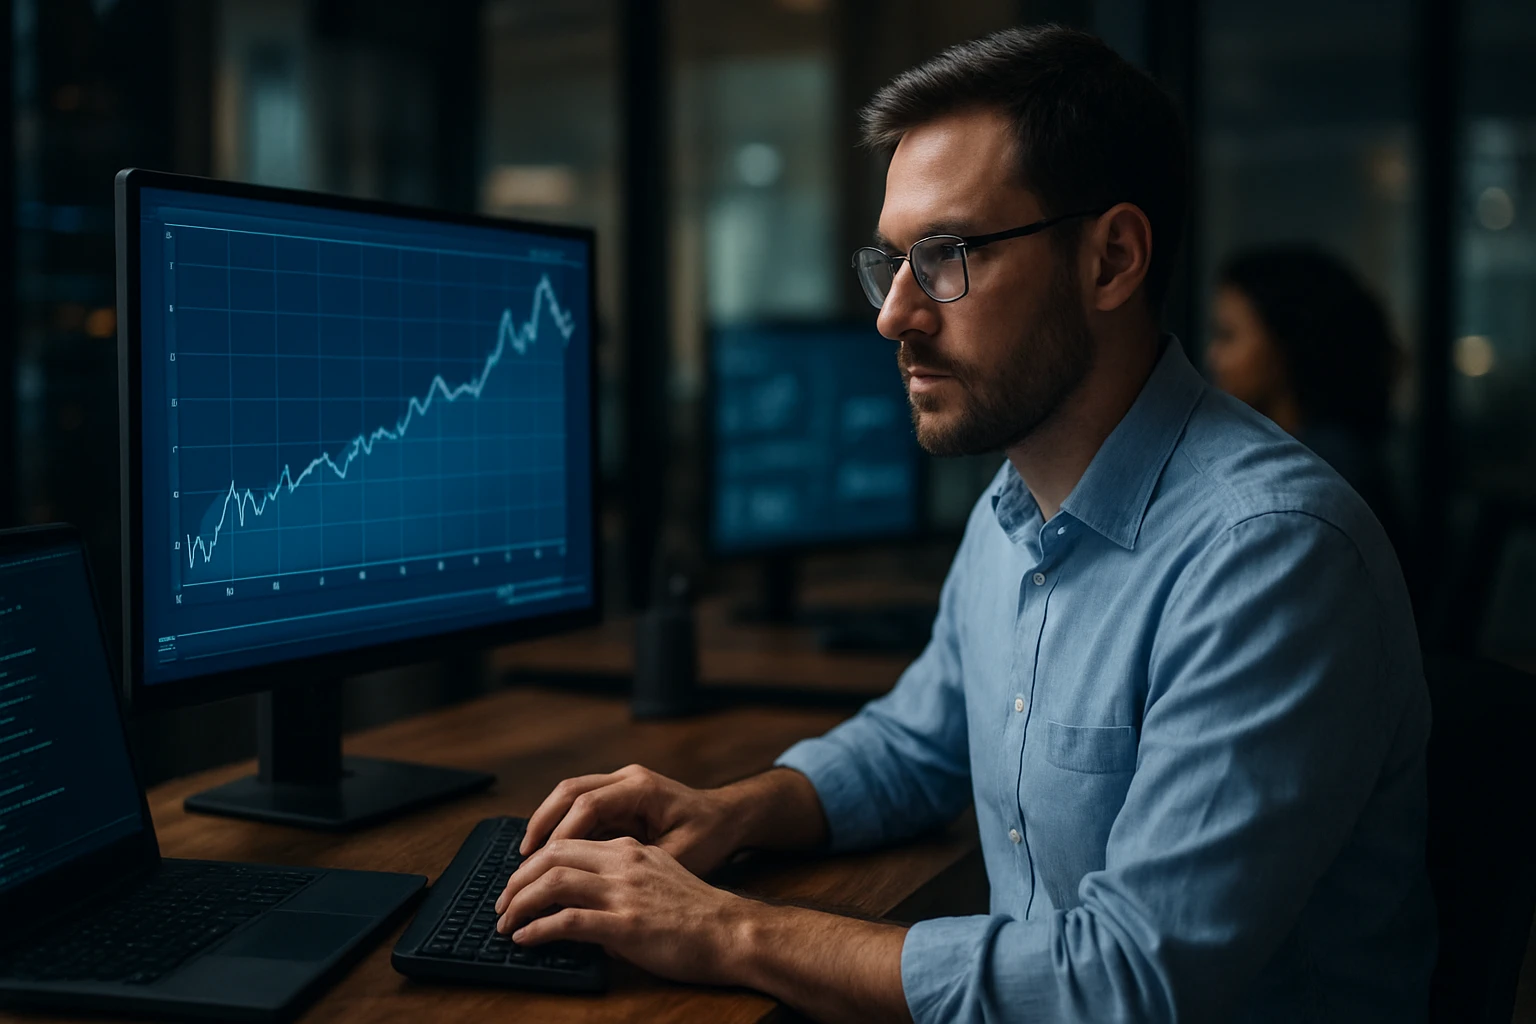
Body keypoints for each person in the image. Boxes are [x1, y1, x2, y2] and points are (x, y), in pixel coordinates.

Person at [492, 26, 1435, 1024]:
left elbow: (1126, 984)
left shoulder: (1272, 553)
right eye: (892, 261)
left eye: (945, 256)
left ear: (1111, 258)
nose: (894, 315)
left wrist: (729, 927)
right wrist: (730, 811)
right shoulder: (1014, 502)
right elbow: (916, 741)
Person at [1207, 245, 1406, 552]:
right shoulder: (1303, 456)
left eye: (1227, 335)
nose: (1214, 356)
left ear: (1285, 344)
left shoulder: (1319, 477)